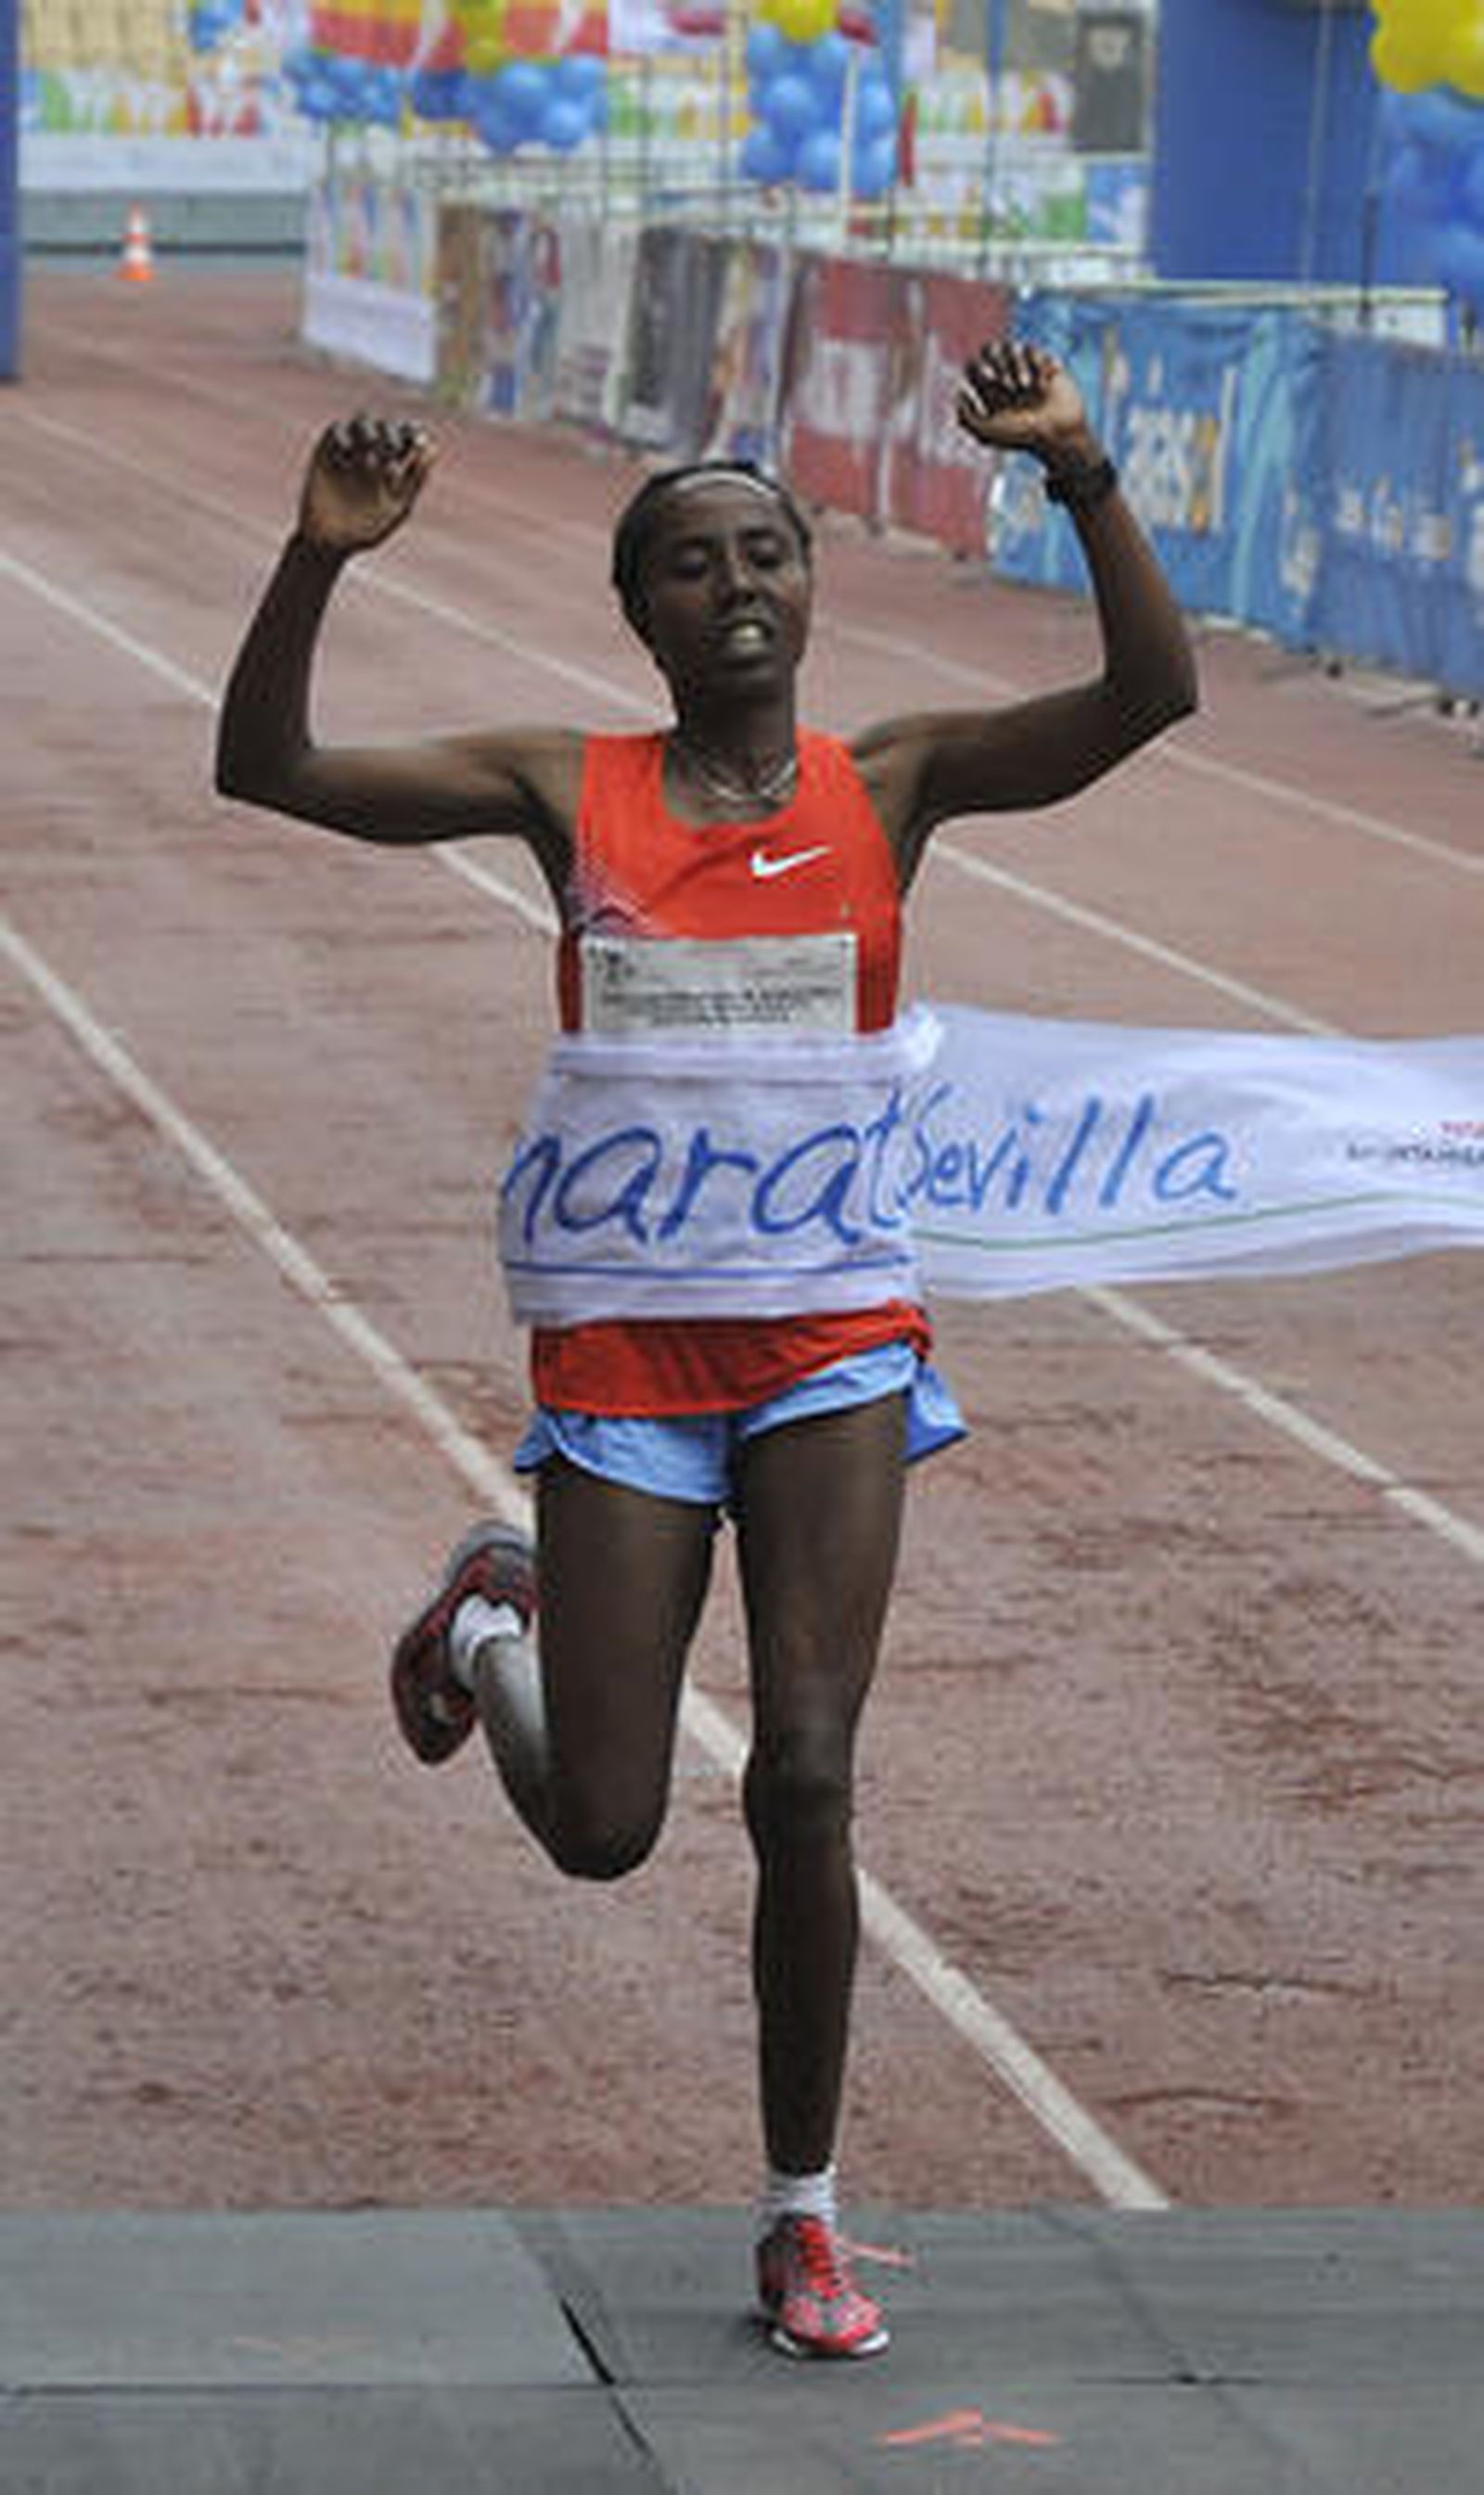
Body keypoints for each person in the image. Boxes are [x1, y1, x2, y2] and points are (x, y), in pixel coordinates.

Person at [215, 339, 1197, 2361]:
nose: (737, 584)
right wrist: (318, 562)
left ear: (809, 589)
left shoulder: (891, 780)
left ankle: (800, 2219)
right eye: (690, 564)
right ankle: (488, 1627)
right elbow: (270, 771)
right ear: (639, 613)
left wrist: (1081, 469)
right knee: (603, 1823)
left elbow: (1144, 700)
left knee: (812, 1779)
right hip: (626, 1368)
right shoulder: (549, 789)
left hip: (828, 1339)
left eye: (767, 553)